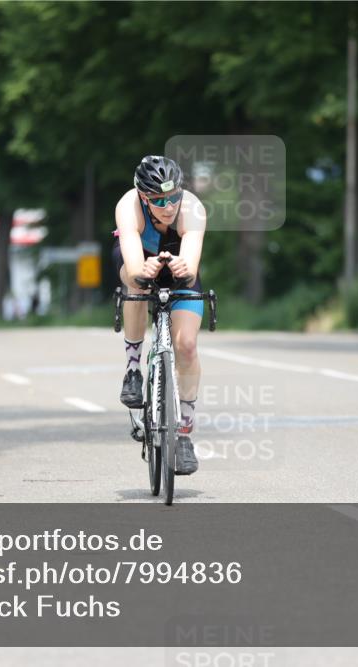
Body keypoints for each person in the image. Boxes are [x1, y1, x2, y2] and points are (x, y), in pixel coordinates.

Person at [113, 156, 207, 475]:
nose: (169, 206)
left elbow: (191, 267)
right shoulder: (129, 206)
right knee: (134, 283)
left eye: (173, 196)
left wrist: (184, 269)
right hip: (140, 260)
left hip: (179, 266)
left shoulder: (191, 208)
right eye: (158, 200)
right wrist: (143, 271)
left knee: (187, 347)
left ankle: (182, 433)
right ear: (143, 197)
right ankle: (133, 370)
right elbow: (131, 258)